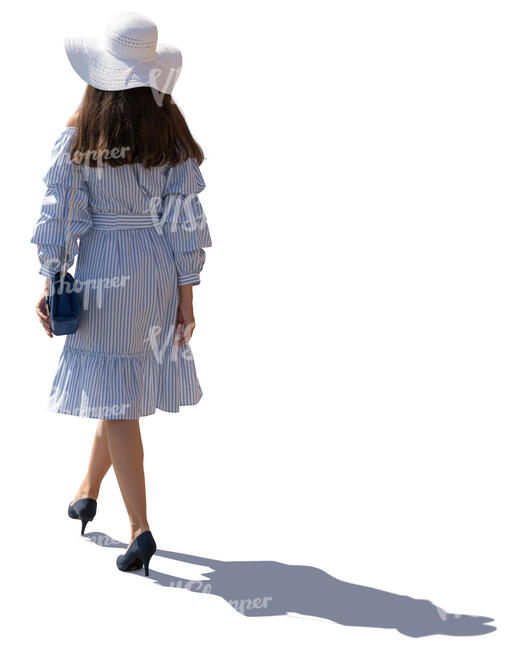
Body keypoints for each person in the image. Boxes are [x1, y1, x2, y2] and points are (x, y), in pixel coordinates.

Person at [30, 11, 212, 576]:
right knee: (121, 390)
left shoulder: (83, 131)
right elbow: (185, 215)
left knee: (116, 397)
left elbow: (61, 212)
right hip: (155, 269)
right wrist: (186, 296)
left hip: (106, 267)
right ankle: (87, 490)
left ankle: (141, 529)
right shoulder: (169, 128)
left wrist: (52, 274)